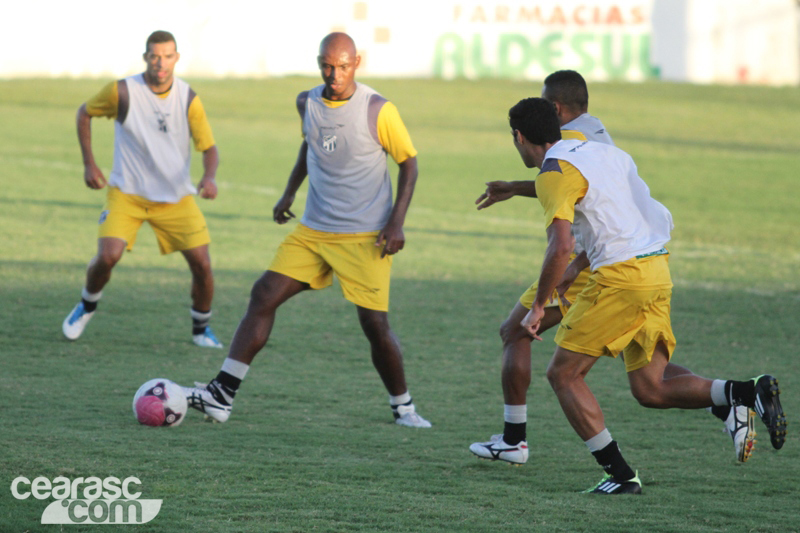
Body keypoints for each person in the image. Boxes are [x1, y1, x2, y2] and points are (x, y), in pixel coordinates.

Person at [480, 97, 787, 493]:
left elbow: (559, 246)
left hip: (620, 279)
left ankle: (621, 476)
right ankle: (745, 391)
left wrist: (539, 305)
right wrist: (576, 267)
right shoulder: (604, 153)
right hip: (656, 270)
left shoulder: (554, 173)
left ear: (519, 137)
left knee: (564, 374)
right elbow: (619, 216)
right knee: (650, 388)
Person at [181, 32, 430, 428]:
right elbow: (310, 145)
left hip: (365, 236)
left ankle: (403, 407)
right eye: (328, 66)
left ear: (357, 63)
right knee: (263, 294)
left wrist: (396, 222)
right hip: (313, 231)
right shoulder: (306, 101)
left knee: (374, 326)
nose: (335, 74)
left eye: (343, 66)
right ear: (319, 63)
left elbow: (410, 163)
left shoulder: (378, 109)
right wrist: (288, 193)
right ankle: (221, 395)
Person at [62, 30, 223, 348]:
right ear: (145, 57)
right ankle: (86, 305)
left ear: (176, 58)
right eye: (154, 56)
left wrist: (210, 177)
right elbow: (85, 113)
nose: (160, 63)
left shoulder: (188, 97)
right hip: (127, 193)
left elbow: (209, 147)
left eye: (167, 56)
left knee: (202, 264)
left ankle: (201, 329)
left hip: (175, 198)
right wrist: (89, 164)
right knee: (107, 256)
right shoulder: (122, 91)